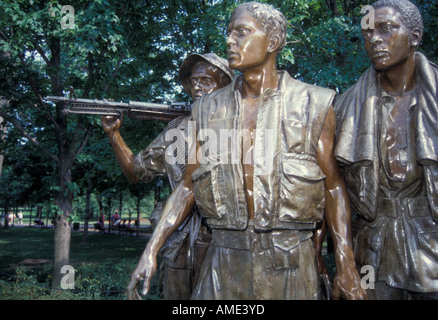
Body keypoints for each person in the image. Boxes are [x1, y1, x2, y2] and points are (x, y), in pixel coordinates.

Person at [127, 2, 366, 300]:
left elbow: (333, 187)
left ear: (273, 42)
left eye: (242, 32)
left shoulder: (314, 105)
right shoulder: (207, 110)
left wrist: (346, 267)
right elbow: (187, 187)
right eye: (229, 33)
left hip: (291, 264)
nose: (229, 40)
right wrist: (151, 250)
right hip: (223, 263)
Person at [102, 53, 234, 299]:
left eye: (206, 80)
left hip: (225, 244)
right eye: (193, 81)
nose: (197, 86)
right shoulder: (176, 129)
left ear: (225, 85)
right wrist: (113, 134)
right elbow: (135, 172)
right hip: (178, 247)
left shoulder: (242, 126)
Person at [334, 0, 438, 299]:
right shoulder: (346, 107)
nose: (374, 39)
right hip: (373, 253)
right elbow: (333, 188)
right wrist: (344, 266)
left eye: (386, 29)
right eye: (367, 34)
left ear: (415, 36)